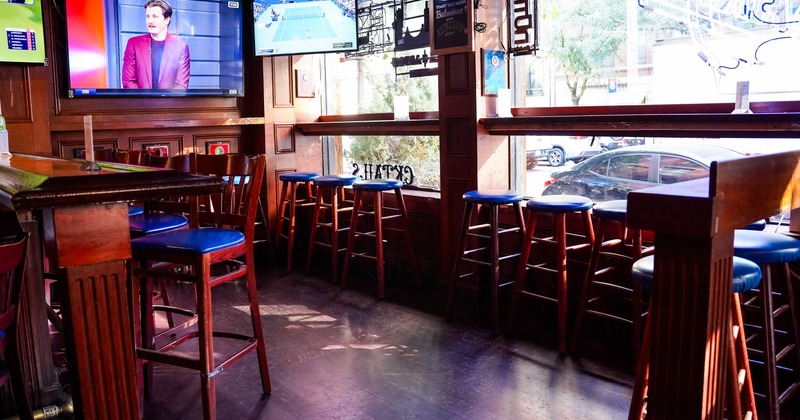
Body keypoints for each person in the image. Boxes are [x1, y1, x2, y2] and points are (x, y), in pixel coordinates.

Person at [122, 0, 190, 89]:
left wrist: (164, 103)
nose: (150, 21)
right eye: (147, 16)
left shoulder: (180, 47)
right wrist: (143, 102)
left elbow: (181, 85)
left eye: (155, 17)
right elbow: (128, 81)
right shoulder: (134, 44)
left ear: (166, 20)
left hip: (169, 102)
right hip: (139, 102)